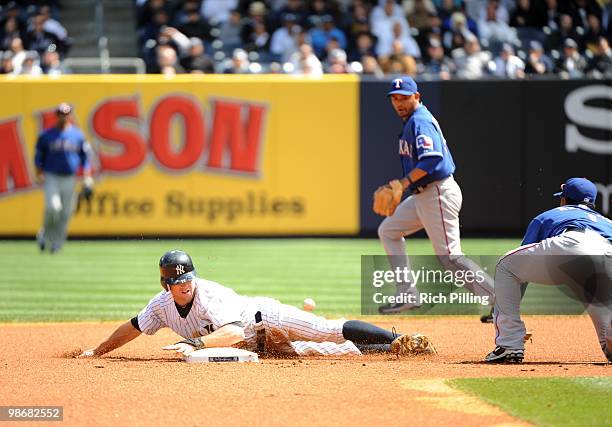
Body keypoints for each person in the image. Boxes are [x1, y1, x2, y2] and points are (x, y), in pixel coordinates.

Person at [78, 250, 435, 358]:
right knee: (329, 353)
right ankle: (383, 350)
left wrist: (193, 343)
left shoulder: (209, 294)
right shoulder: (160, 306)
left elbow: (232, 331)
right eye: (176, 281)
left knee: (326, 330)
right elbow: (133, 327)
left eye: (187, 278)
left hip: (267, 318)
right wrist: (98, 351)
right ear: (165, 284)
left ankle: (398, 338)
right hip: (260, 346)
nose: (183, 285)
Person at [376, 76, 495, 314]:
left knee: (450, 257)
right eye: (395, 99)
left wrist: (404, 182)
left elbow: (433, 158)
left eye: (404, 98)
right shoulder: (413, 121)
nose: (399, 103)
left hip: (437, 193)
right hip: (424, 196)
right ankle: (407, 293)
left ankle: (500, 298)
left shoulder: (420, 122)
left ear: (417, 97)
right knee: (388, 230)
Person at [486, 178, 612, 363]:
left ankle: (509, 346)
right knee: (607, 342)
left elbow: (520, 270)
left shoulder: (550, 215)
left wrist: (504, 306)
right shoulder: (607, 221)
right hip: (607, 252)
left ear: (564, 199)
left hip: (570, 244)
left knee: (506, 266)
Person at [35, 103, 93, 253]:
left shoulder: (77, 135)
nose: (64, 116)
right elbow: (39, 156)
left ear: (70, 115)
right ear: (57, 115)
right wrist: (39, 172)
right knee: (53, 208)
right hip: (52, 175)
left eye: (66, 113)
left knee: (66, 212)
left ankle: (56, 243)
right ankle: (45, 234)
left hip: (69, 177)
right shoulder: (46, 135)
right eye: (61, 113)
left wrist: (87, 176)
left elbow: (85, 158)